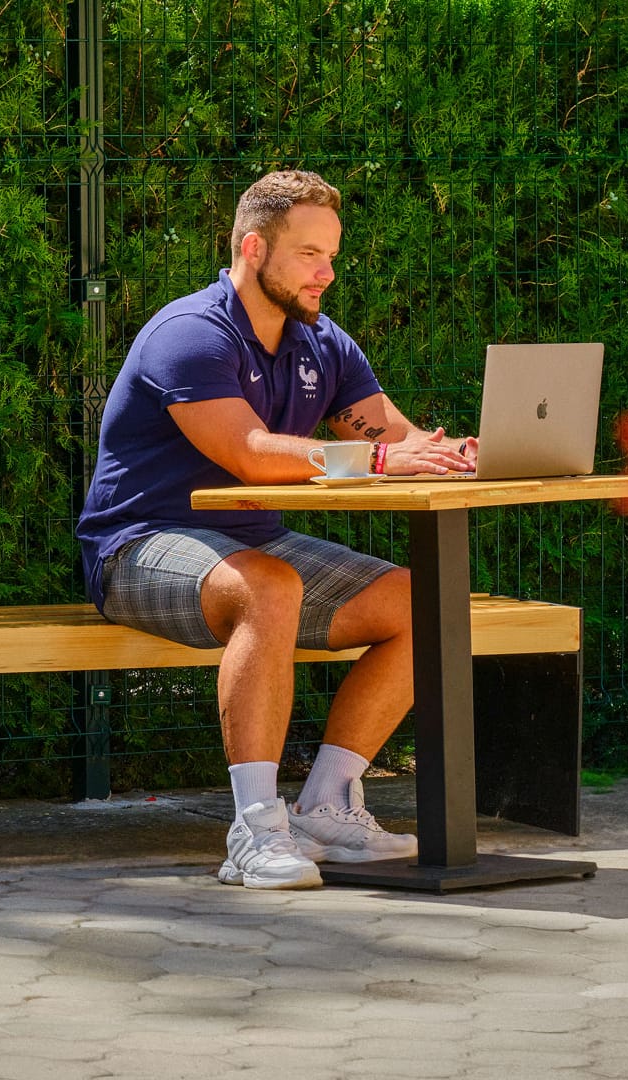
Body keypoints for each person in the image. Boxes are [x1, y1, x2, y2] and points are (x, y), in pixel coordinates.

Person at [76, 170, 478, 889]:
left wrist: (458, 456)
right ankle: (255, 832)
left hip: (253, 545)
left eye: (332, 256)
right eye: (309, 255)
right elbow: (250, 453)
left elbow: (392, 437)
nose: (327, 273)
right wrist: (381, 460)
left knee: (425, 604)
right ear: (254, 248)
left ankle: (326, 809)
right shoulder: (189, 334)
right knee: (270, 587)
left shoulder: (322, 342)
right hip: (136, 546)